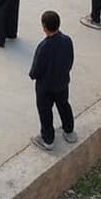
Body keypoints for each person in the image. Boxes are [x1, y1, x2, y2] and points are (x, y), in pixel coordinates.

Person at [29, 10, 76, 152]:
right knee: (64, 105)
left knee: (45, 112)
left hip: (45, 87)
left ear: (44, 27)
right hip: (62, 83)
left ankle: (48, 139)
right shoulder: (67, 40)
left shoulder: (44, 47)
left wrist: (33, 75)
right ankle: (69, 130)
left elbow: (36, 70)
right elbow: (70, 60)